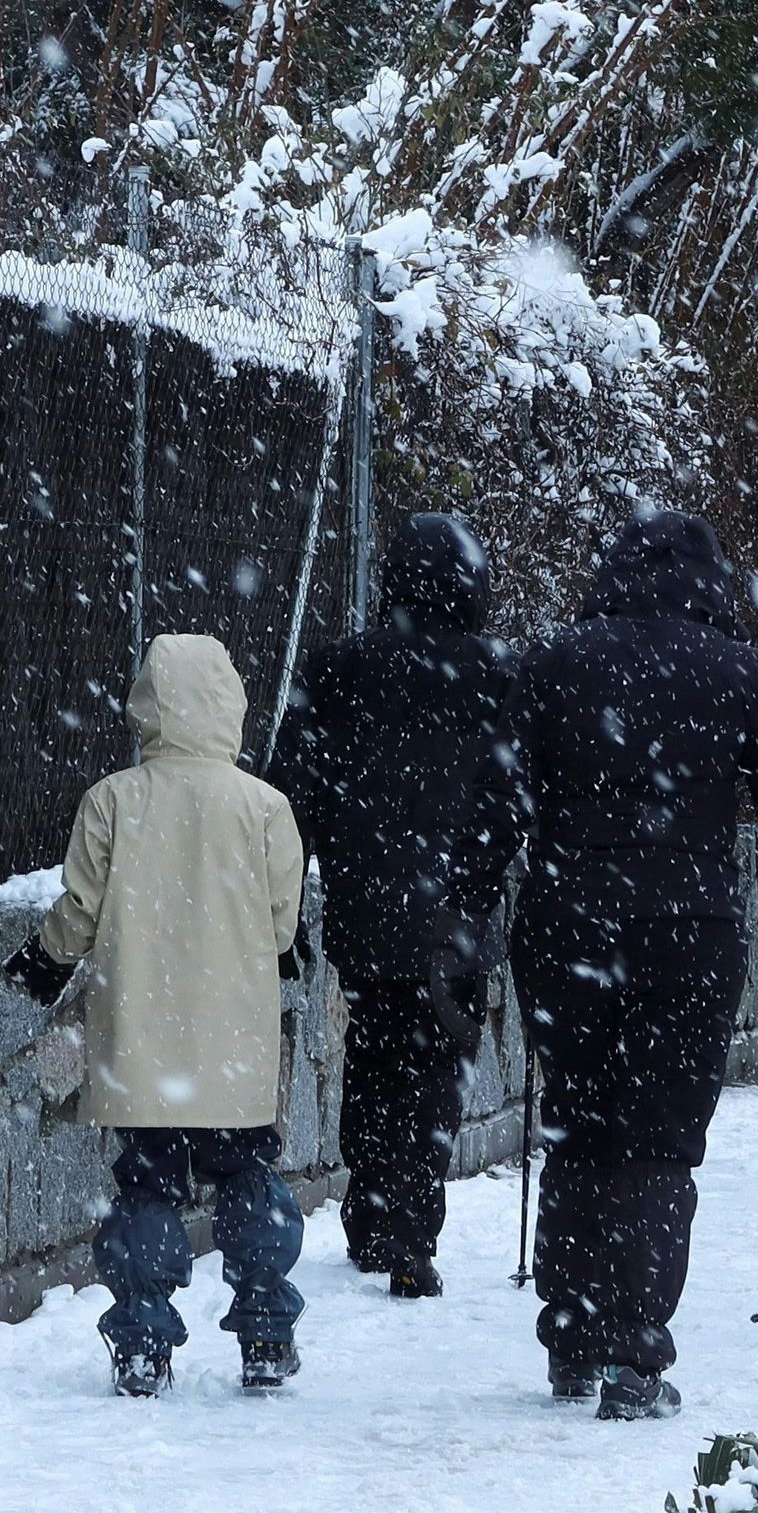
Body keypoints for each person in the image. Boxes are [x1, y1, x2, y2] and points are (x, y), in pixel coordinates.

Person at [510, 508, 758, 1420]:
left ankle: (571, 1336)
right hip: (689, 932)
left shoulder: (557, 662)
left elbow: (505, 789)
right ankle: (635, 1352)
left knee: (577, 1123)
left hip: (568, 925)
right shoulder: (741, 673)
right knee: (659, 1140)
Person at [3, 636, 310, 1397]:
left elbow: (81, 908)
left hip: (142, 1032)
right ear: (231, 708)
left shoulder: (113, 800)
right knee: (249, 1176)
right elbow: (281, 922)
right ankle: (265, 1330)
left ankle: (142, 1342)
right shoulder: (265, 806)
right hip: (232, 1034)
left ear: (147, 705)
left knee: (147, 1185)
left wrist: (43, 962)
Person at [264, 514, 517, 1298]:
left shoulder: (341, 668)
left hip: (365, 903)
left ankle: (371, 1215)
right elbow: (513, 798)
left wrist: (285, 897)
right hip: (455, 914)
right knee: (438, 1062)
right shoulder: (497, 674)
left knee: (373, 1051)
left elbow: (290, 792)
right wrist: (476, 884)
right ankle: (411, 1229)